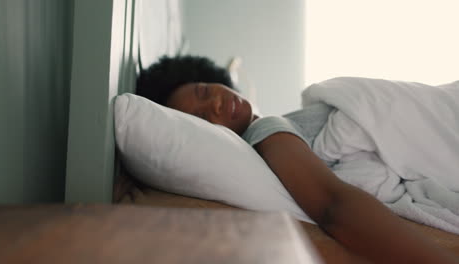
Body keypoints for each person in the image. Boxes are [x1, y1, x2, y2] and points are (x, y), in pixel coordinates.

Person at [137, 55, 458, 264]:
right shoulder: (263, 132)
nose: (218, 105)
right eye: (204, 118)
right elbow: (332, 205)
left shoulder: (276, 122)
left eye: (205, 90)